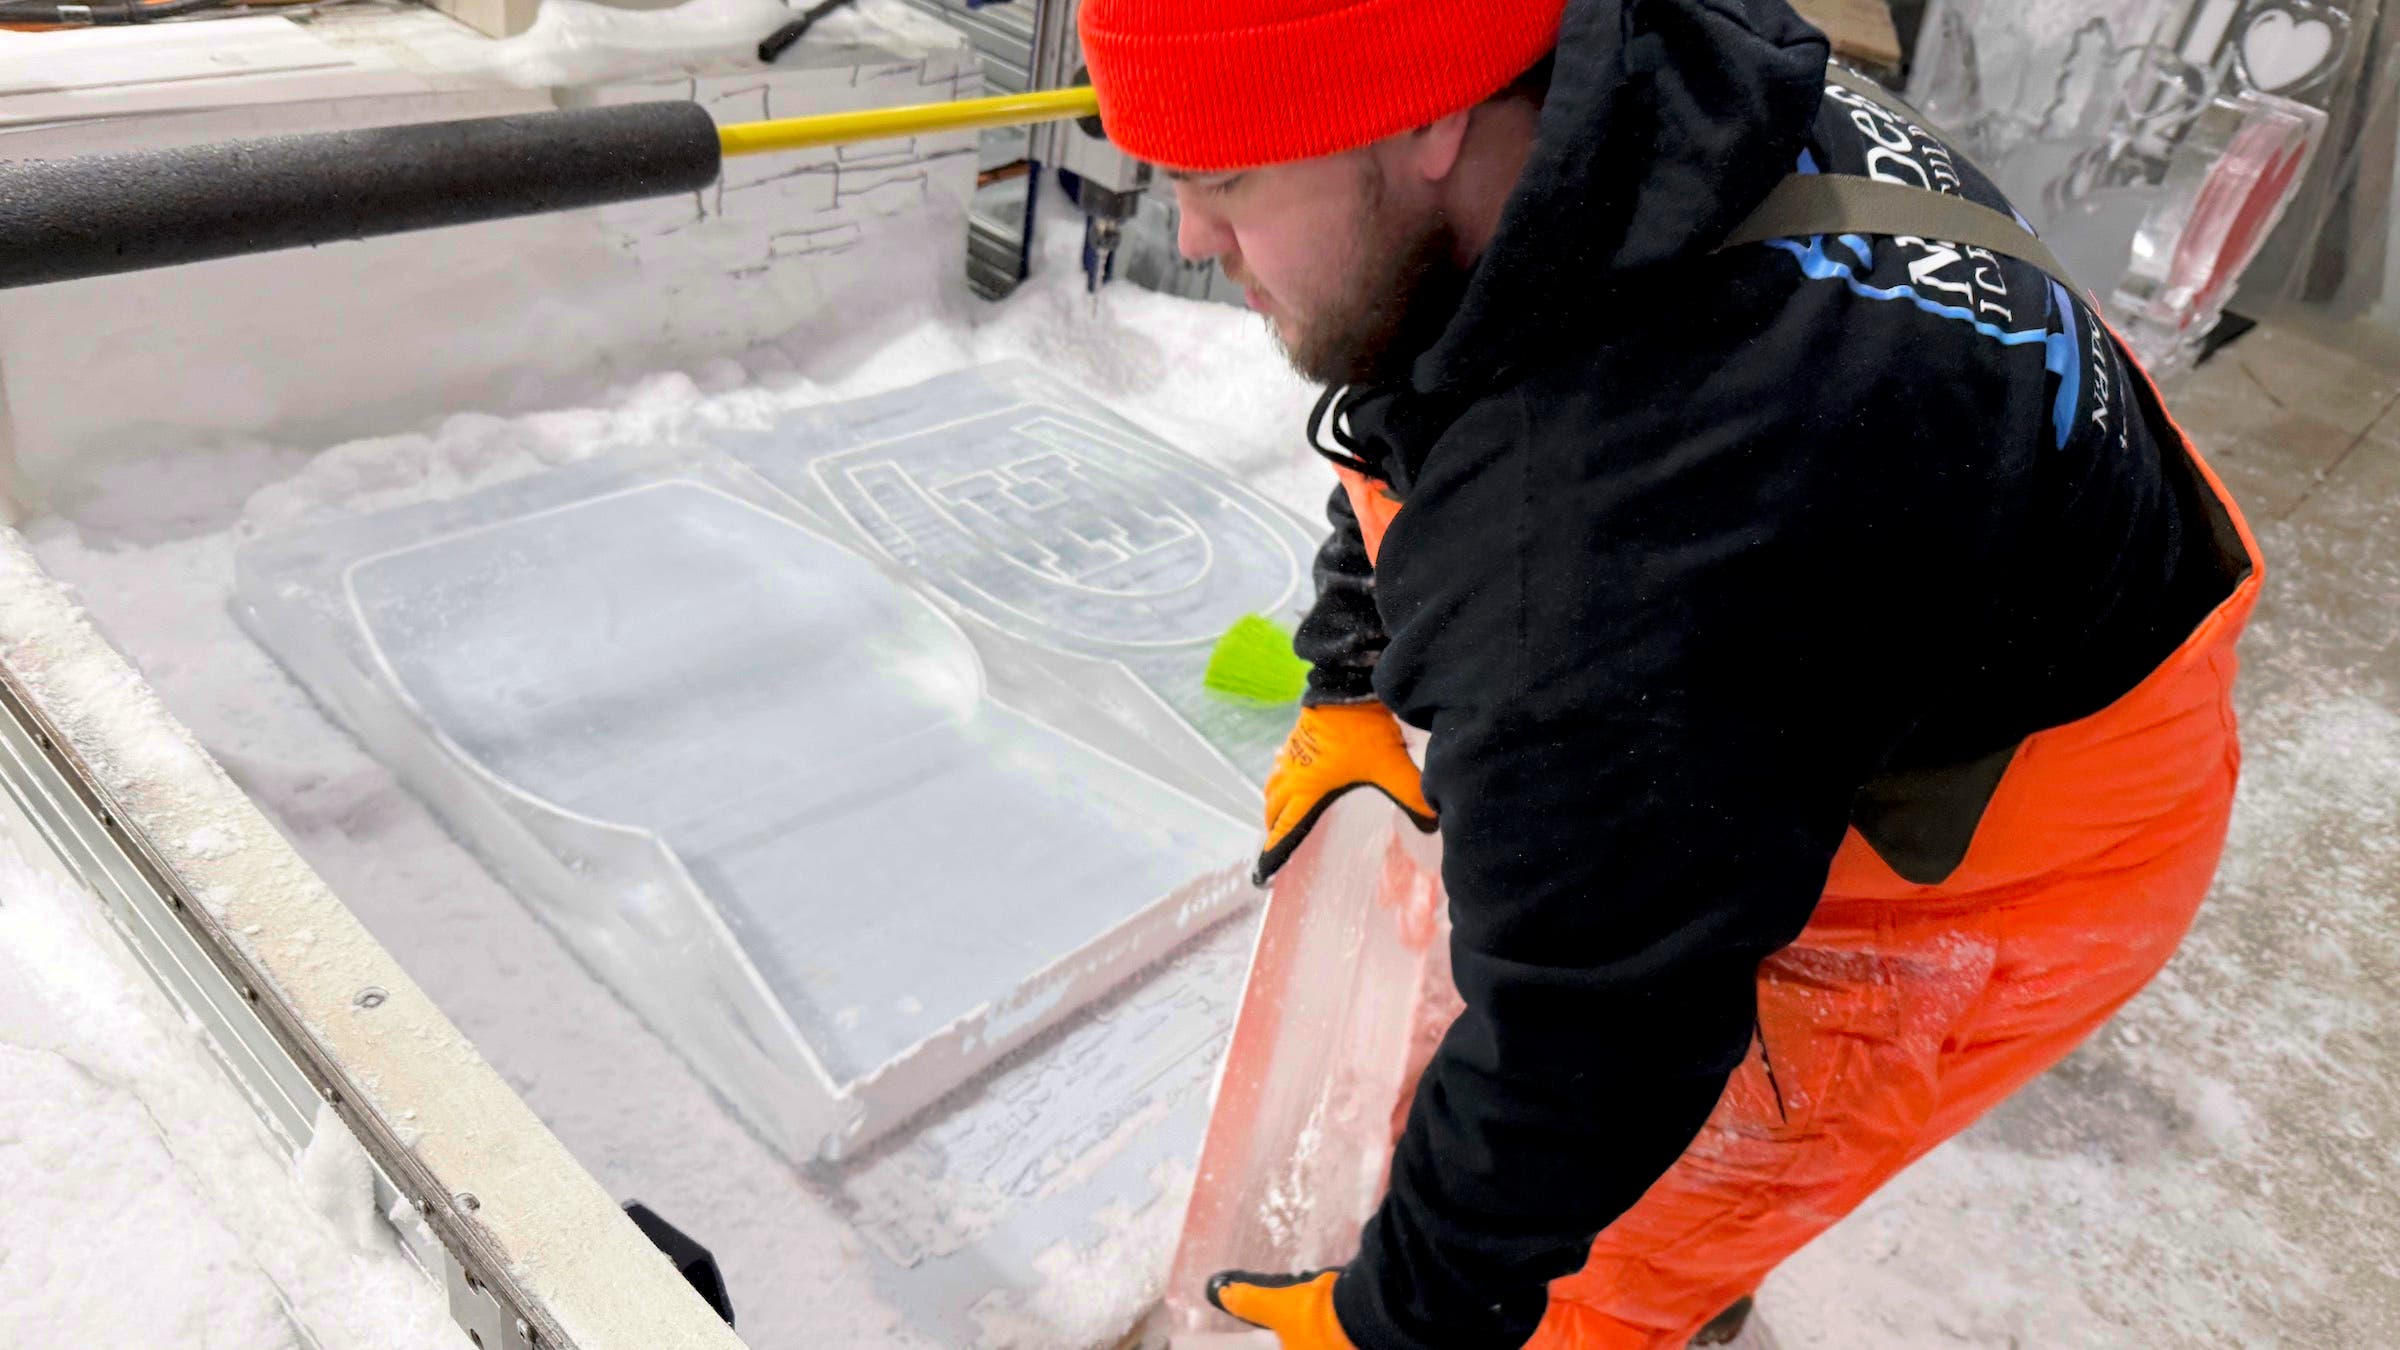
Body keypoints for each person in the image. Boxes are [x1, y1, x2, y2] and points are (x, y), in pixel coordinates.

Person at [1077, 0, 2263, 1346]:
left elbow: (1590, 1051)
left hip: (2029, 825)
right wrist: (1351, 671)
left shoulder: (1611, 548)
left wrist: (1407, 1314)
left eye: (1225, 179)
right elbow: (1425, 370)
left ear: (1422, 112)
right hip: (1984, 550)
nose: (1187, 235)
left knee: (1604, 1260)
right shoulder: (1614, 85)